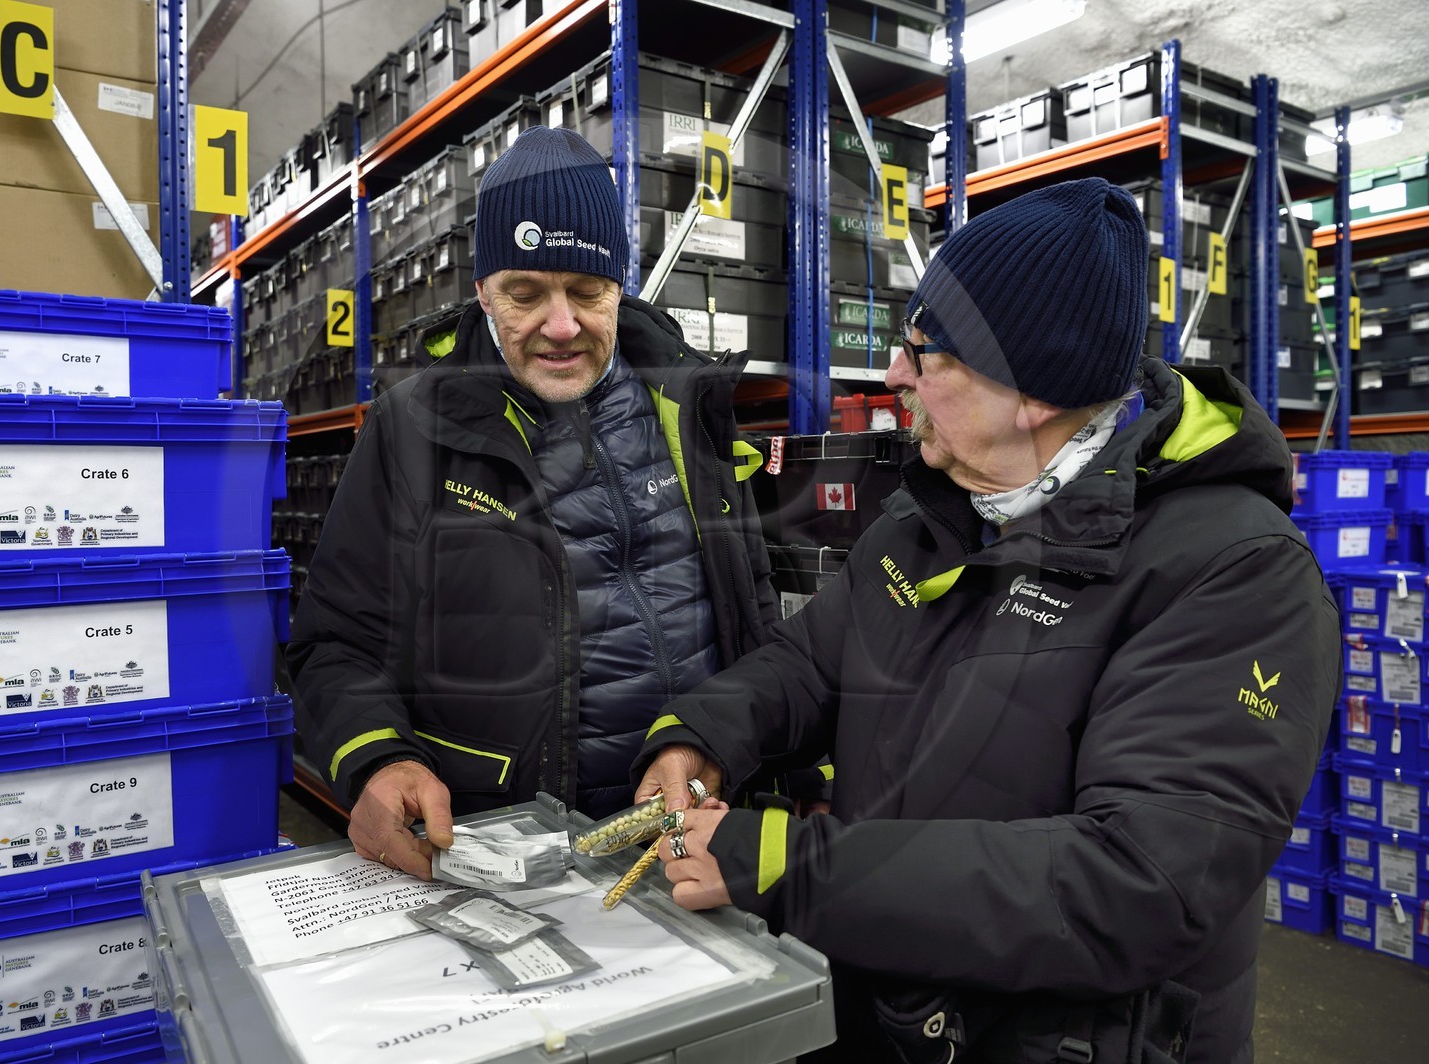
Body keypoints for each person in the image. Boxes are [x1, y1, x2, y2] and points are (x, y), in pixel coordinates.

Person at [635, 178, 1340, 1063]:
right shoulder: (935, 510)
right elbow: (809, 664)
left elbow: (1138, 886)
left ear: (1032, 390)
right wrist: (697, 737)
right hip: (894, 1009)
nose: (895, 374)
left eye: (926, 353)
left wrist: (787, 864)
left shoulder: (1234, 575)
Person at [287, 126, 780, 880]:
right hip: (503, 855)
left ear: (621, 286)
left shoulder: (689, 406)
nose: (561, 325)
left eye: (587, 291)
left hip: (692, 843)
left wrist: (761, 756)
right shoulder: (415, 428)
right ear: (482, 291)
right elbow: (335, 644)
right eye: (526, 292)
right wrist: (375, 757)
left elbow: (753, 612)